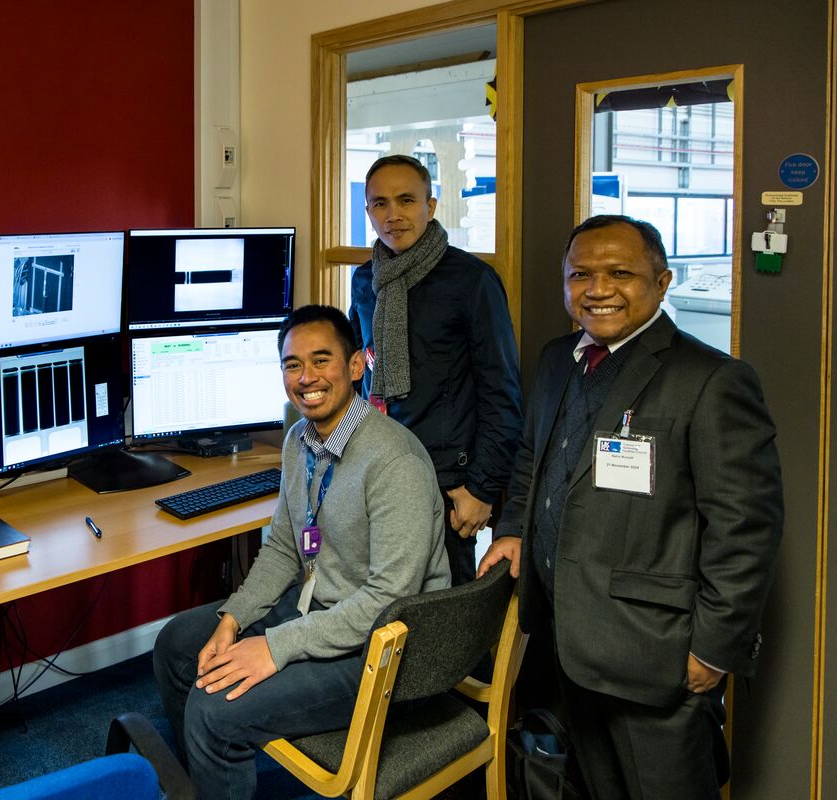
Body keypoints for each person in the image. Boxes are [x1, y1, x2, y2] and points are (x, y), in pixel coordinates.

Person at [479, 215, 783, 799]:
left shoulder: (710, 379)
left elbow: (746, 528)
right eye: (581, 274)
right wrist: (515, 527)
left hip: (655, 653)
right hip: (564, 641)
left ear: (662, 282)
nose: (597, 289)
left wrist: (714, 648)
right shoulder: (555, 360)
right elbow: (530, 459)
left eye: (621, 273)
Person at [153, 305, 450, 800]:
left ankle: (219, 745)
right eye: (293, 364)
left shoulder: (394, 460)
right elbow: (286, 550)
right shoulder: (299, 441)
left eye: (321, 360)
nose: (307, 377)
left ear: (356, 366)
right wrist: (233, 618)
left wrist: (275, 646)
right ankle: (213, 781)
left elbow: (388, 599)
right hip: (320, 606)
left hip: (385, 647)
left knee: (215, 711)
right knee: (178, 645)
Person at [349, 154, 522, 586]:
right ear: (368, 211)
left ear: (431, 205)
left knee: (444, 619)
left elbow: (501, 392)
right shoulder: (365, 280)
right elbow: (360, 378)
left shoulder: (471, 280)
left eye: (406, 200)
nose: (393, 215)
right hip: (380, 469)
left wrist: (482, 488)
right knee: (382, 599)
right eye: (380, 204)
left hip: (449, 482)